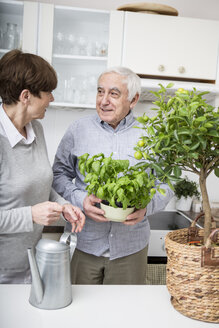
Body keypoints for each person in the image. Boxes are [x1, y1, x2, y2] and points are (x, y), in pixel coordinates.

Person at [52, 66, 174, 285]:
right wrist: (81, 200)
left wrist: (148, 207)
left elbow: (167, 181)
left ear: (133, 99)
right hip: (83, 243)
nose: (103, 100)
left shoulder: (152, 134)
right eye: (100, 92)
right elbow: (58, 174)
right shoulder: (78, 130)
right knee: (79, 313)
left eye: (113, 93)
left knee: (124, 314)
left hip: (130, 248)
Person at [0, 49, 85, 284]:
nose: (52, 98)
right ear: (26, 96)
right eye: (48, 92)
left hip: (30, 260)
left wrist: (63, 205)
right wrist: (31, 215)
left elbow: (42, 184)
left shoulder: (35, 129)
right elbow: (30, 211)